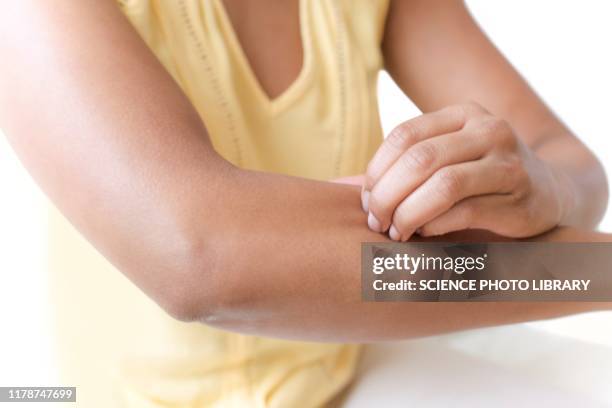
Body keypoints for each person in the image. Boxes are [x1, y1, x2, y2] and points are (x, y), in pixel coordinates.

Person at [0, 0, 608, 406]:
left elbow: (570, 165)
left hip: (350, 379)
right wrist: (596, 272)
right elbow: (203, 261)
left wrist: (542, 187)